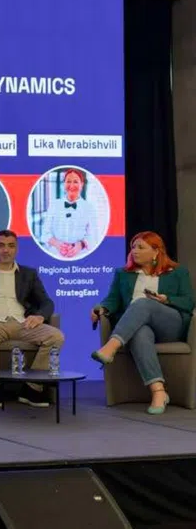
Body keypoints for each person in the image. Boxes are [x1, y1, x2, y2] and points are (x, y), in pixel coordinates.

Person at [91, 231, 194, 414]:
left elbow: (189, 301)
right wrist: (102, 309)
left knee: (143, 302)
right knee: (140, 332)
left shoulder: (178, 272)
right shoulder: (123, 274)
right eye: (133, 247)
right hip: (137, 325)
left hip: (170, 325)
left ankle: (111, 346)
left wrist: (167, 299)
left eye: (141, 247)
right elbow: (112, 300)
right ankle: (158, 391)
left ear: (156, 251)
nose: (135, 251)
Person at [0, 229, 64, 408]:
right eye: (1, 245)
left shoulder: (29, 274)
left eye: (10, 246)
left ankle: (32, 387)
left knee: (56, 336)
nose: (6, 250)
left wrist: (40, 316)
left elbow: (47, 302)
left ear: (16, 249)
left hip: (24, 324)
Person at [42, 168, 97, 259]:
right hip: (54, 255)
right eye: (68, 181)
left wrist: (80, 245)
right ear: (64, 184)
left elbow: (93, 237)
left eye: (75, 182)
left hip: (81, 256)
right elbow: (44, 234)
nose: (71, 185)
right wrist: (57, 244)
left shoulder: (89, 208)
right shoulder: (54, 205)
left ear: (82, 184)